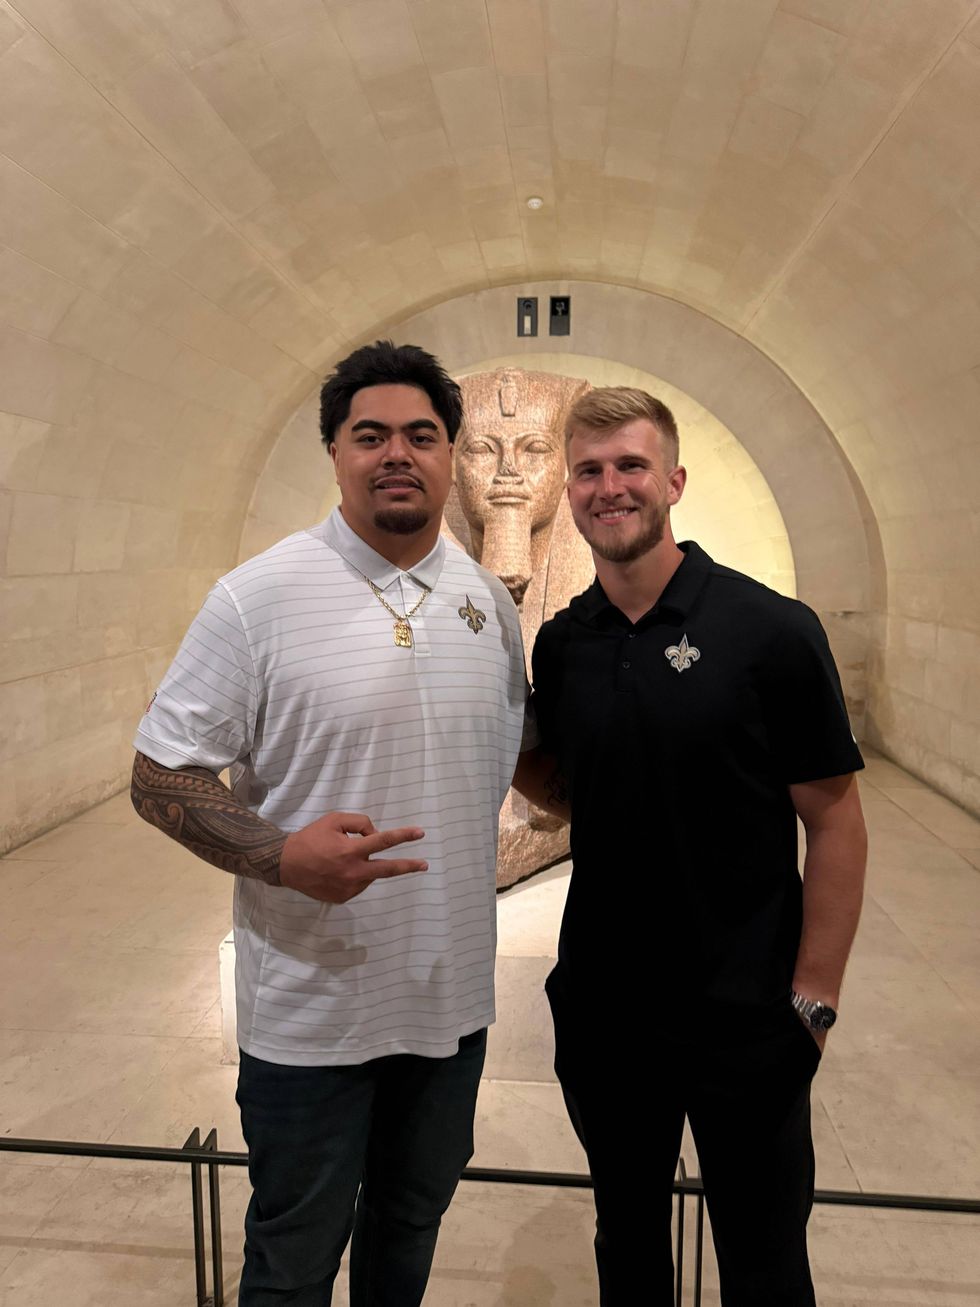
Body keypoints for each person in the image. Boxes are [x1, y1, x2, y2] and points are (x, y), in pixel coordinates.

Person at [131, 341, 532, 1307]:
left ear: (450, 454)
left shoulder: (488, 602)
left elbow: (517, 763)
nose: (397, 453)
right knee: (294, 1261)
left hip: (448, 1013)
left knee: (407, 1240)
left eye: (421, 435)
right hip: (312, 1021)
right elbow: (159, 773)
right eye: (371, 435)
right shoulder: (256, 598)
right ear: (338, 454)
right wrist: (279, 854)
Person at [514, 386, 867, 1306]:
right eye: (587, 470)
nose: (608, 486)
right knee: (628, 1244)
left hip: (747, 1016)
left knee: (763, 1256)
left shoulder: (772, 632)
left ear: (672, 479)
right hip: (607, 1012)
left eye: (630, 464)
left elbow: (834, 820)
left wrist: (815, 999)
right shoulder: (564, 644)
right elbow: (567, 790)